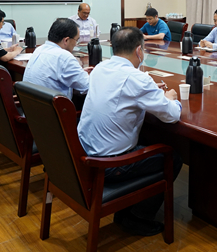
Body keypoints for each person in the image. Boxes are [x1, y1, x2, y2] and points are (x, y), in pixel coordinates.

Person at [77, 27, 182, 236]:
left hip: (83, 154)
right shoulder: (136, 78)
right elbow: (171, 115)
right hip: (107, 165)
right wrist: (171, 99)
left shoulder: (99, 68)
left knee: (146, 140)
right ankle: (136, 217)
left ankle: (129, 208)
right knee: (173, 157)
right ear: (139, 51)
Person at [23, 18, 91, 100]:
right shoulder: (64, 57)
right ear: (66, 40)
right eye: (76, 40)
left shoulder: (39, 49)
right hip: (55, 107)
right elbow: (88, 86)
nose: (76, 44)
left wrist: (78, 72)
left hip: (32, 106)